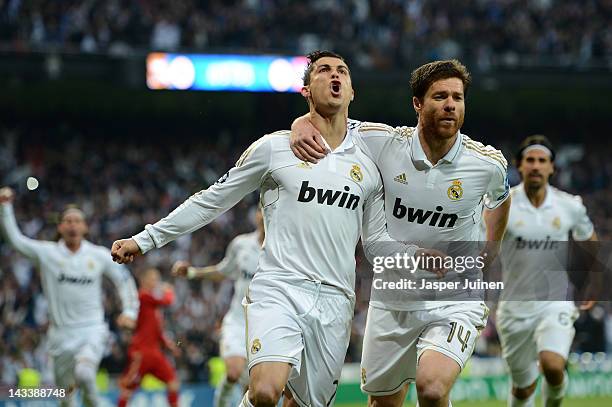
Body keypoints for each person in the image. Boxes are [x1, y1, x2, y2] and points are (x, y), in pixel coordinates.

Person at [110, 50, 441, 407]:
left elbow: (376, 242)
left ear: (351, 90)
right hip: (279, 287)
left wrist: (414, 257)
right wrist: (145, 239)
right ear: (306, 90)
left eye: (342, 71)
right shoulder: (274, 148)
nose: (335, 76)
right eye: (324, 71)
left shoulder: (369, 163)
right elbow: (212, 200)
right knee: (266, 390)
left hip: (335, 300)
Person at [290, 59, 511, 407]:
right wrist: (300, 124)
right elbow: (332, 120)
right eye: (440, 96)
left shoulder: (487, 163)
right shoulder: (382, 143)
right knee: (384, 403)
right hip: (394, 296)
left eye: (458, 97)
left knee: (433, 389)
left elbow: (500, 198)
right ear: (417, 104)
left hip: (455, 297)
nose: (451, 104)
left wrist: (490, 250)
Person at [0, 186, 139, 407]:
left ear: (85, 227)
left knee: (84, 373)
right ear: (60, 227)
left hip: (92, 329)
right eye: (68, 220)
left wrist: (130, 311)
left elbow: (124, 279)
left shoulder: (98, 255)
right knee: (66, 397)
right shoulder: (47, 254)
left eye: (77, 220)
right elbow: (16, 240)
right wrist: (5, 207)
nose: (73, 224)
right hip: (60, 337)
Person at [493, 135, 598, 407]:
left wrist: (592, 282)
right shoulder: (502, 205)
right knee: (523, 387)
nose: (536, 166)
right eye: (530, 160)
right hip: (514, 309)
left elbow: (590, 241)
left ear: (552, 167)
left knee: (553, 366)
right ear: (519, 166)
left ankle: (554, 401)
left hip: (555, 303)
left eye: (542, 161)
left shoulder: (569, 206)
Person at [172, 209, 265, 407]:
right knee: (233, 371)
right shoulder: (241, 244)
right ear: (257, 215)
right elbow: (224, 271)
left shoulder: (284, 248)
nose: (264, 215)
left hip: (266, 326)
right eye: (260, 209)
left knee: (254, 391)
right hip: (239, 321)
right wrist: (192, 273)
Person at [117, 268, 180, 407]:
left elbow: (156, 330)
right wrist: (169, 291)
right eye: (153, 279)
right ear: (143, 281)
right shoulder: (143, 296)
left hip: (155, 353)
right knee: (127, 388)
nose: (156, 283)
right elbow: (167, 301)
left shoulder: (153, 306)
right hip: (141, 353)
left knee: (173, 383)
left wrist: (168, 345)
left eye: (157, 279)